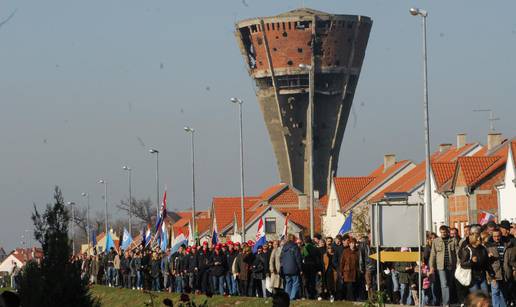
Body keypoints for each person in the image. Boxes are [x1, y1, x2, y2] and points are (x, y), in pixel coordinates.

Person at [459, 225, 494, 294]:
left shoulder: (483, 249)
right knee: (476, 298)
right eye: (477, 238)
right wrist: (471, 262)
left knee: (485, 296)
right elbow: (463, 264)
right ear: (472, 238)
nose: (479, 239)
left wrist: (491, 273)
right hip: (472, 278)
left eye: (480, 238)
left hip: (482, 276)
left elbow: (487, 263)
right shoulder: (467, 249)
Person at [430, 225, 459, 306]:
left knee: (450, 284)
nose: (443, 234)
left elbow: (457, 253)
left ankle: (449, 301)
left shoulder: (453, 240)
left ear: (447, 232)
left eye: (445, 232)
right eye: (442, 232)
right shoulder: (436, 241)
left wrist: (458, 264)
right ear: (440, 232)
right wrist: (431, 266)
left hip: (451, 265)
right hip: (441, 266)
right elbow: (433, 254)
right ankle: (446, 303)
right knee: (444, 284)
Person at [486, 228, 507, 307]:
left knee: (503, 293)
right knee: (495, 292)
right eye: (495, 236)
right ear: (492, 236)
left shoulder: (505, 244)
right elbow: (485, 262)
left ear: (501, 235)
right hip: (494, 273)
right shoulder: (488, 246)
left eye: (498, 236)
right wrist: (488, 257)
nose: (496, 238)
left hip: (504, 272)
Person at [280, 234, 302, 300]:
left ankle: (287, 297)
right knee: (296, 282)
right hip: (294, 268)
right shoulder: (295, 247)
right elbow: (298, 258)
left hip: (285, 268)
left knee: (288, 282)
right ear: (293, 239)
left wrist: (283, 266)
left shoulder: (284, 247)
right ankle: (292, 297)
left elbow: (281, 258)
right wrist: (300, 269)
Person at [339, 237, 359, 301]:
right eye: (352, 243)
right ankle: (350, 300)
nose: (353, 244)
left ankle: (353, 299)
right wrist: (341, 272)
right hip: (347, 272)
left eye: (354, 243)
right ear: (349, 244)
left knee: (354, 287)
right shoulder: (345, 251)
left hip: (355, 272)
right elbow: (342, 262)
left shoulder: (357, 251)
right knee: (349, 287)